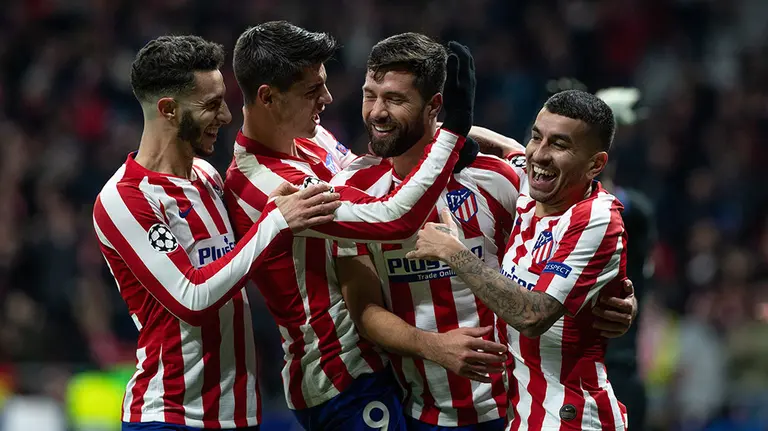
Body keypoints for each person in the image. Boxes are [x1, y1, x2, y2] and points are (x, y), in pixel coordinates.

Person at [333, 35, 637, 431]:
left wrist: (611, 298)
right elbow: (364, 310)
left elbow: (555, 265)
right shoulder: (351, 191)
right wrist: (434, 346)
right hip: (424, 411)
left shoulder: (498, 180)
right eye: (369, 95)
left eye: (394, 99)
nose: (377, 112)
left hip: (512, 409)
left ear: (434, 107)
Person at [223, 22, 477, 430]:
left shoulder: (308, 138)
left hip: (374, 363)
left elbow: (376, 167)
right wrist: (451, 135)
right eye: (312, 91)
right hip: (338, 378)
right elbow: (393, 218)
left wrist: (457, 138)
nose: (327, 97)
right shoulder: (262, 185)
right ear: (268, 97)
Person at [91, 36, 343, 431]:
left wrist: (271, 211)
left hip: (238, 415)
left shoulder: (208, 177)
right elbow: (192, 298)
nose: (226, 116)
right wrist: (274, 222)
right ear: (168, 110)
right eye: (210, 105)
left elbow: (239, 257)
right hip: (171, 417)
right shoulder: (124, 199)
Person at [407, 89, 631, 430]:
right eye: (536, 137)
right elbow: (506, 144)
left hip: (572, 419)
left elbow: (532, 315)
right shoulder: (531, 186)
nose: (539, 155)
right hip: (523, 414)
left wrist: (452, 250)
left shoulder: (596, 218)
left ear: (595, 164)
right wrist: (437, 130)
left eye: (559, 144)